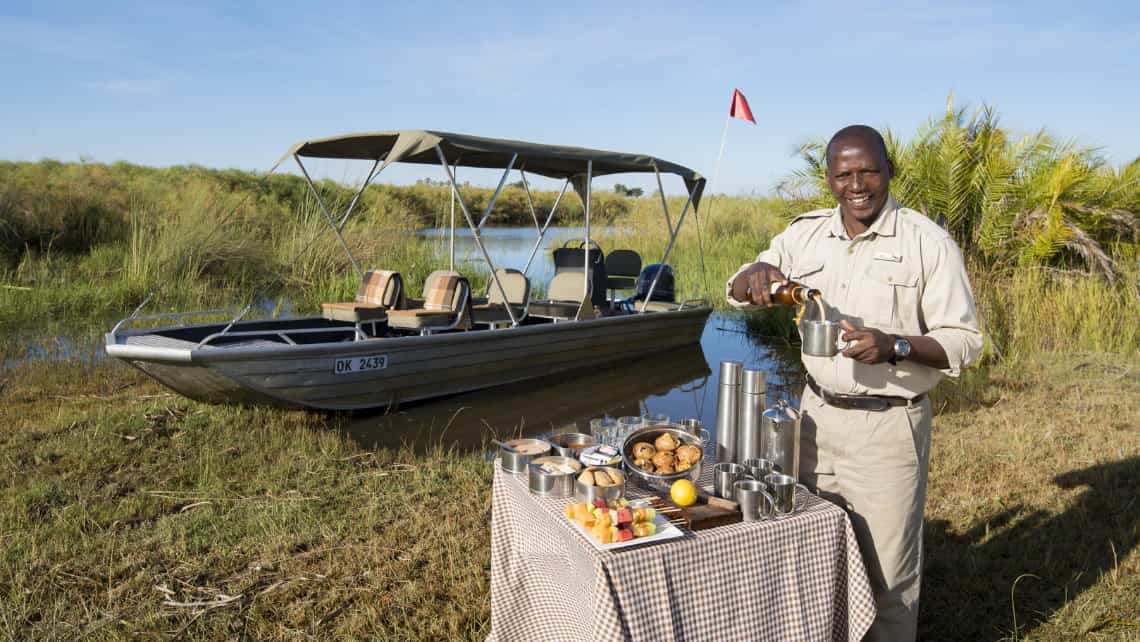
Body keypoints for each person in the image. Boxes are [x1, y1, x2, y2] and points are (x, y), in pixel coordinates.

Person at [726, 125, 983, 641]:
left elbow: (965, 341)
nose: (857, 184)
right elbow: (738, 290)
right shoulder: (805, 234)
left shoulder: (925, 241)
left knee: (887, 577)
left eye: (868, 170)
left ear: (889, 169)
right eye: (845, 174)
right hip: (813, 420)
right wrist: (755, 271)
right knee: (810, 554)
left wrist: (895, 345)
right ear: (829, 179)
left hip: (887, 428)